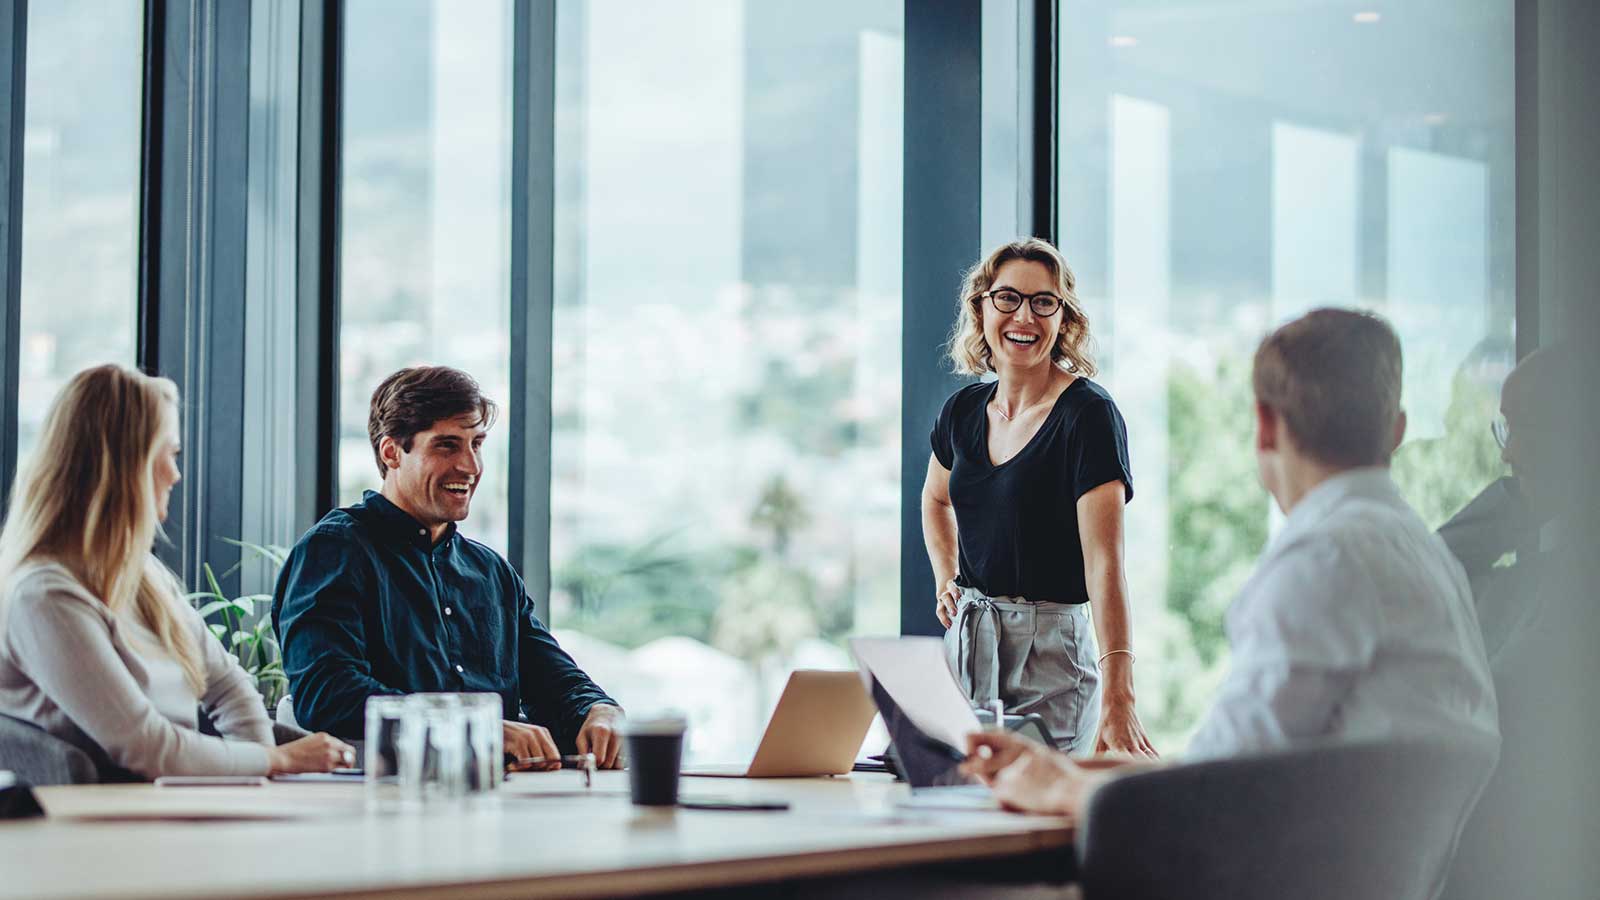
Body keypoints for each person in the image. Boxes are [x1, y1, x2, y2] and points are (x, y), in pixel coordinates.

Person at [962, 308, 1499, 820]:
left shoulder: (1323, 561)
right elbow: (1239, 763)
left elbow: (1211, 798)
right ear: (1397, 430)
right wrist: (1069, 769)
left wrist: (1057, 787)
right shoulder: (1425, 555)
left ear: (1264, 426)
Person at [0, 365, 352, 778]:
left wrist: (258, 772)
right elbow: (145, 746)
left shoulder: (143, 575)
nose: (176, 473)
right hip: (96, 825)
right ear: (125, 467)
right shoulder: (44, 597)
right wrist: (275, 759)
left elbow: (227, 685)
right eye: (169, 454)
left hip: (165, 807)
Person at [273, 366, 624, 768]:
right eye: (447, 446)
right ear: (392, 452)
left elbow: (552, 679)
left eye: (476, 444)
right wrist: (476, 727)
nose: (470, 466)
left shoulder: (490, 571)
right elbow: (329, 696)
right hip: (382, 803)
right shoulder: (334, 551)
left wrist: (598, 709)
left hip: (501, 799)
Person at [922, 237, 1154, 756]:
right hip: (967, 645)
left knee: (1038, 824)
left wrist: (1121, 695)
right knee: (960, 815)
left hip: (1051, 656)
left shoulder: (1088, 416)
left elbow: (1105, 564)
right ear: (981, 307)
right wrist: (945, 577)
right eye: (1007, 298)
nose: (1023, 316)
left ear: (1063, 317)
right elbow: (935, 500)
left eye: (1042, 301)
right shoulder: (961, 412)